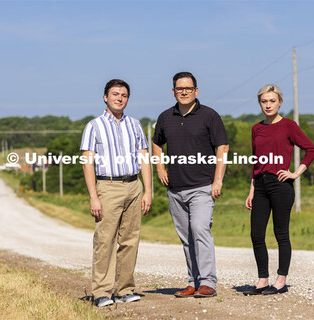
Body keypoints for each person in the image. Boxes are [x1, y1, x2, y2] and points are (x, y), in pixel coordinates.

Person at [152, 72, 229, 298]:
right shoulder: (165, 117)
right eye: (179, 88)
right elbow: (156, 144)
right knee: (186, 237)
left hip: (202, 186)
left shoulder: (209, 115)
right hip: (175, 188)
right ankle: (193, 282)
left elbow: (222, 147)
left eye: (188, 88)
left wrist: (218, 179)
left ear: (196, 91)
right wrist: (160, 168)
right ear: (173, 92)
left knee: (200, 229)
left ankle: (207, 282)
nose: (183, 91)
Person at [81, 79, 152, 307]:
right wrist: (94, 196)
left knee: (130, 240)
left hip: (133, 185)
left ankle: (125, 289)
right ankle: (101, 291)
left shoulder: (135, 124)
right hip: (107, 187)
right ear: (105, 97)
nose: (119, 98)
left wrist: (148, 191)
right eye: (114, 94)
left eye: (123, 95)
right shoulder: (94, 126)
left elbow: (144, 158)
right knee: (105, 240)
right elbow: (87, 163)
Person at [243, 84, 314, 295]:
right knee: (256, 234)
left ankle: (281, 281)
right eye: (264, 101)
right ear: (260, 103)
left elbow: (311, 150)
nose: (268, 105)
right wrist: (251, 189)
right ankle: (262, 280)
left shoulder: (288, 126)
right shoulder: (256, 128)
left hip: (280, 185)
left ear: (280, 102)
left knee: (280, 234)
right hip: (259, 185)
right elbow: (255, 161)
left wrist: (295, 173)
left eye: (272, 101)